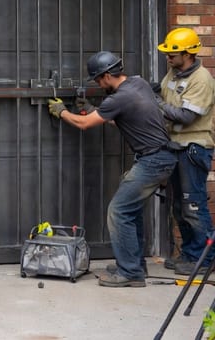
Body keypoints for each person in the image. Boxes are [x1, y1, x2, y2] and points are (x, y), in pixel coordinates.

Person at [48, 50, 176, 287]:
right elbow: (126, 116)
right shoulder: (139, 84)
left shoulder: (118, 98)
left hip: (153, 160)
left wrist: (62, 111)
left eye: (98, 79)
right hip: (160, 156)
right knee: (131, 211)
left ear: (107, 75)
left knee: (118, 212)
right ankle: (134, 264)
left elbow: (84, 124)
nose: (98, 84)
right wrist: (94, 108)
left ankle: (130, 273)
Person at [156, 28, 215, 275]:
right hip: (175, 146)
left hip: (193, 147)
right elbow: (162, 93)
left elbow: (187, 116)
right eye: (167, 53)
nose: (168, 58)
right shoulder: (174, 72)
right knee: (179, 206)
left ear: (188, 53)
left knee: (193, 205)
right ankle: (191, 254)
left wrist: (155, 104)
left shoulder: (201, 79)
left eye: (173, 53)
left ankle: (206, 258)